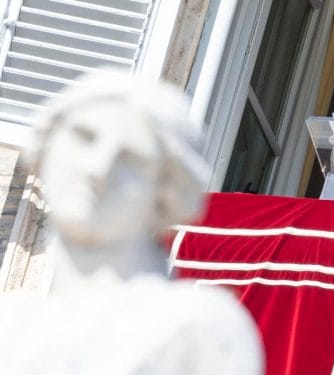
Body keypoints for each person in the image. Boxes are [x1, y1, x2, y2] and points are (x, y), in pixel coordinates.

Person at [0, 71, 263, 374]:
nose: (98, 169)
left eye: (131, 158)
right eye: (84, 136)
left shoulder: (198, 327)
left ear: (167, 191)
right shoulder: (12, 323)